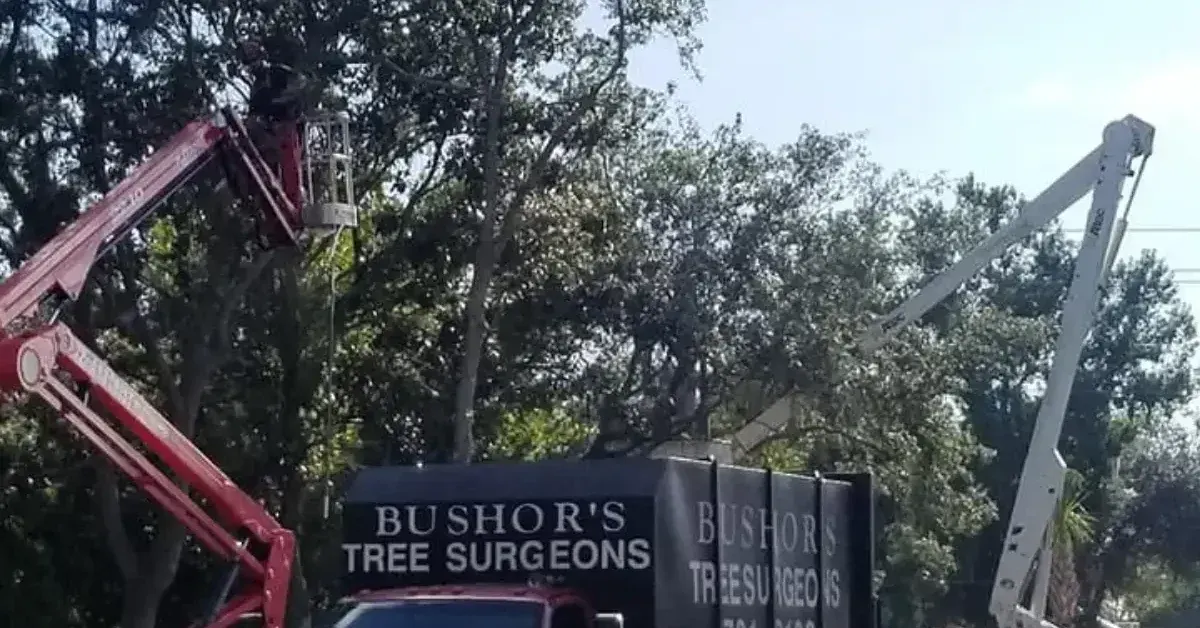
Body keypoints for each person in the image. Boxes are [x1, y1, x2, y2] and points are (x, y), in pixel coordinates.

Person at [240, 34, 309, 213]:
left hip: (286, 126)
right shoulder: (257, 87)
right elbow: (253, 112)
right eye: (250, 64)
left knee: (290, 168)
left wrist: (280, 100)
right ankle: (270, 203)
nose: (253, 67)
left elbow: (300, 82)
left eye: (255, 62)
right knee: (265, 166)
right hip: (269, 132)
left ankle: (295, 206)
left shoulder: (277, 72)